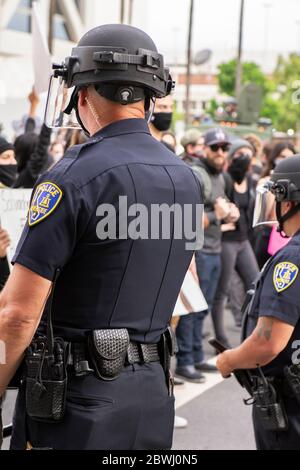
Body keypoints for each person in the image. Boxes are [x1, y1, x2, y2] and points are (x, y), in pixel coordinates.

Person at [0, 24, 202, 451]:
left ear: (84, 93)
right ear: (150, 96)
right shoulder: (186, 178)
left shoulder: (73, 177)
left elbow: (17, 313)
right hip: (152, 393)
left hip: (75, 403)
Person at [217, 155, 300, 450]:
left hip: (290, 412)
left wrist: (229, 360)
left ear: (287, 202)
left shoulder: (291, 258)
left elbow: (268, 344)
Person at [175, 128, 239, 382]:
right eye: (216, 147)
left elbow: (220, 209)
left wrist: (229, 213)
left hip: (214, 248)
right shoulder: (198, 174)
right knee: (191, 308)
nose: (221, 152)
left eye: (225, 148)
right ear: (205, 149)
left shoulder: (220, 177)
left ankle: (197, 356)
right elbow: (188, 218)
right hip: (197, 251)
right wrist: (218, 216)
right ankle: (185, 361)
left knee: (204, 308)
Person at [211, 139, 259, 343]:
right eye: (240, 154)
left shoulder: (251, 180)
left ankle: (252, 334)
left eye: (248, 155)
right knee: (221, 292)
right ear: (232, 157)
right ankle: (221, 339)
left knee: (256, 284)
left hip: (243, 240)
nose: (245, 159)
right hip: (226, 241)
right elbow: (217, 207)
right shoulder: (225, 179)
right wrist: (224, 219)